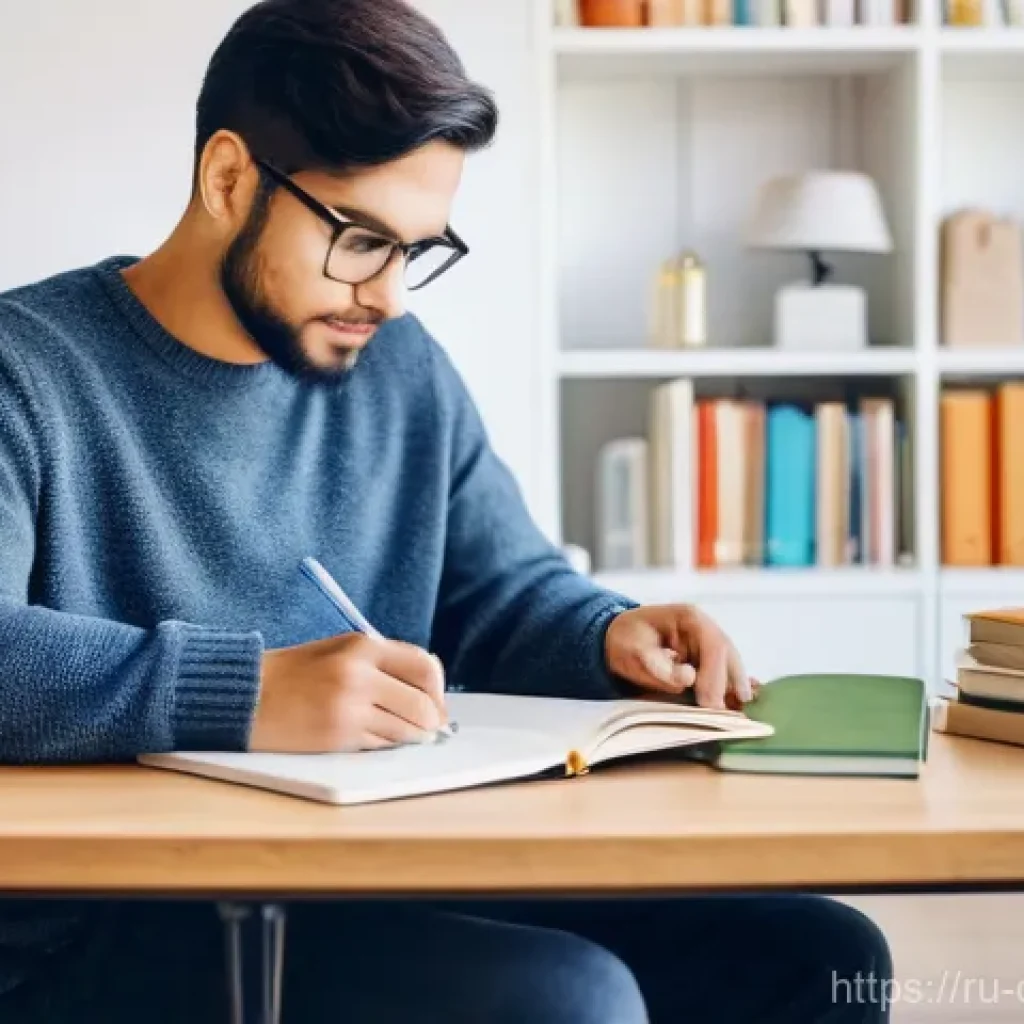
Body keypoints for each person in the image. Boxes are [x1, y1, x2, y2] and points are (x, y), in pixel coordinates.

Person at [0, 0, 892, 1020]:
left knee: (821, 952)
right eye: (359, 239)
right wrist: (239, 692)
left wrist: (608, 637)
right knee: (569, 998)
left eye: (416, 250)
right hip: (98, 921)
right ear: (228, 178)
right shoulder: (24, 368)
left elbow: (503, 589)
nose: (387, 296)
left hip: (371, 866)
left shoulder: (395, 368)